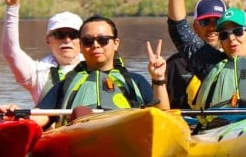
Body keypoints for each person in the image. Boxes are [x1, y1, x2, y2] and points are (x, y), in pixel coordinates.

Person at [34, 16, 164, 127]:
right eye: (88, 41)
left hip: (128, 132)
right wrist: (18, 114)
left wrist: (158, 78)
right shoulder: (65, 83)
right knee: (80, 112)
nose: (95, 45)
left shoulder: (136, 80)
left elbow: (164, 116)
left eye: (103, 40)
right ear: (81, 45)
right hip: (80, 136)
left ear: (116, 43)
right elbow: (40, 116)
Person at [0, 0, 83, 103]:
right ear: (48, 40)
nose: (67, 39)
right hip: (47, 124)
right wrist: (13, 7)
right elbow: (11, 52)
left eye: (73, 34)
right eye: (59, 34)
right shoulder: (36, 73)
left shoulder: (96, 67)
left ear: (82, 39)